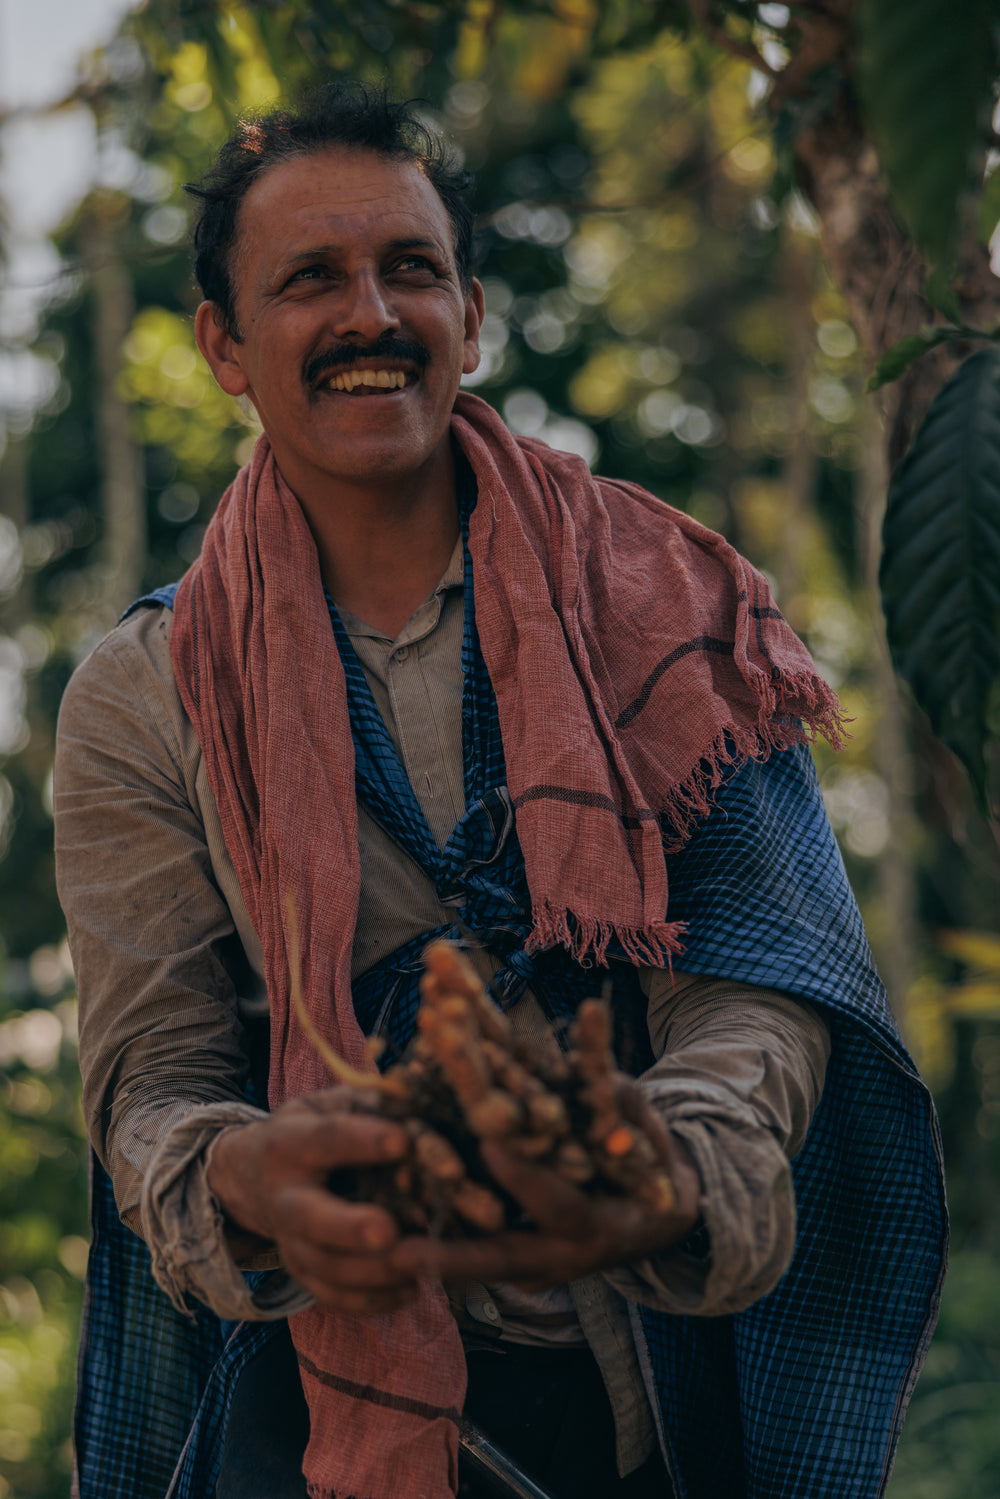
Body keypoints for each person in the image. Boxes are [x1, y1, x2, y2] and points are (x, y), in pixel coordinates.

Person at [54, 83, 945, 1499]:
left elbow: (766, 978)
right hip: (320, 1406)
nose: (369, 315)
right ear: (223, 345)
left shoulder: (670, 601)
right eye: (307, 281)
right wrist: (249, 1180)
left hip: (644, 1373)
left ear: (470, 318)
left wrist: (672, 1163)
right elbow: (150, 1081)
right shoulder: (142, 691)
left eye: (410, 269)